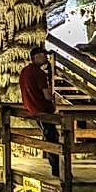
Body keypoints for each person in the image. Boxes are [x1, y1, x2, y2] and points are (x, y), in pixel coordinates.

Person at [19, 46, 59, 176]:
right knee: (51, 138)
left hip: (31, 108)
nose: (46, 57)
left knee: (48, 135)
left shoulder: (24, 71)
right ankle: (55, 168)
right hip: (41, 109)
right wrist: (52, 100)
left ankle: (53, 164)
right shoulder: (39, 73)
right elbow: (46, 95)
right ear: (35, 57)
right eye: (43, 55)